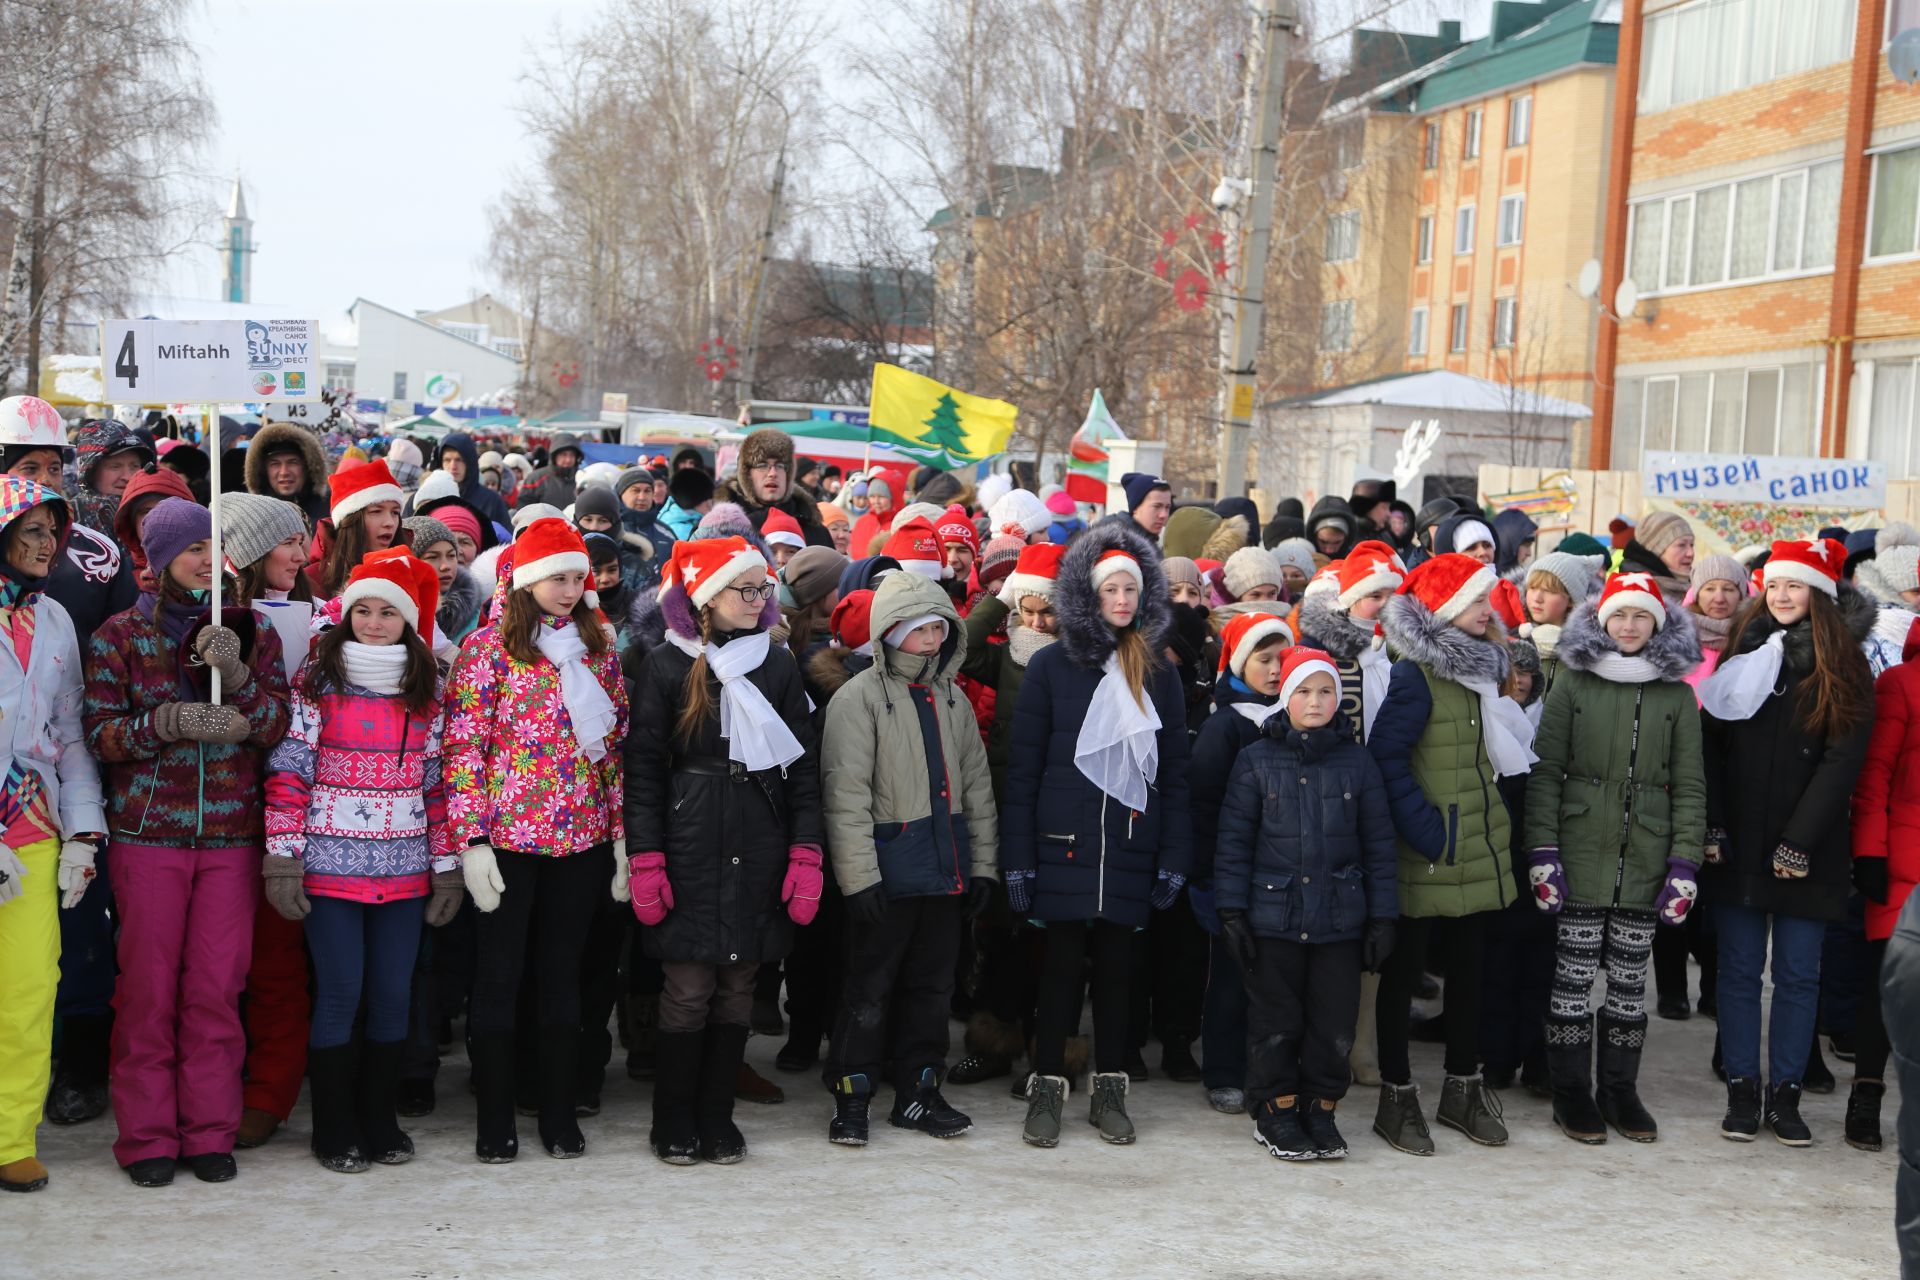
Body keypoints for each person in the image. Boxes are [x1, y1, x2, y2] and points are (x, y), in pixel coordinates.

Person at [83, 498, 292, 1187]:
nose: (206, 560)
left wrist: (234, 679)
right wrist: (165, 722)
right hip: (150, 833)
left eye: (213, 547)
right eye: (191, 548)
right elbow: (102, 735)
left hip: (231, 832)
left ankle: (208, 1128)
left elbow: (275, 725)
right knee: (146, 990)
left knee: (215, 986)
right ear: (160, 556)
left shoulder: (250, 628)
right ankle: (146, 1136)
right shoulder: (119, 635)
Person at [624, 537, 821, 1165]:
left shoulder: (780, 664)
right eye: (745, 589)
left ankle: (717, 1117)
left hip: (759, 838)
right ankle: (672, 1118)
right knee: (687, 987)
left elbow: (805, 769)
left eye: (763, 588)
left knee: (740, 984)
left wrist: (806, 850)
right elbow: (646, 770)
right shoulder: (665, 665)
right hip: (690, 839)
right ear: (707, 597)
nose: (759, 599)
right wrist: (647, 856)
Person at [262, 548, 459, 1174]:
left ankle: (380, 1119)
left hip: (402, 873)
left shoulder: (426, 692)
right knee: (342, 992)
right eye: (363, 611)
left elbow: (436, 785)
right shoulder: (317, 682)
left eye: (388, 613)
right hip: (330, 868)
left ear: (408, 622)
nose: (373, 623)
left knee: (392, 995)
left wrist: (447, 865)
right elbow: (290, 771)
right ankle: (334, 1126)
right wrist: (282, 857)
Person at [1002, 520, 1192, 1147]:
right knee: (1057, 975)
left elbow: (1175, 775)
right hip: (1063, 845)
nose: (1121, 601)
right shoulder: (1052, 667)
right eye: (1110, 589)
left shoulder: (1158, 672)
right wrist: (1019, 859)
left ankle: (1110, 1090)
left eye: (1131, 590)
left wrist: (1173, 856)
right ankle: (1046, 1089)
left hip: (1131, 849)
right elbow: (1024, 770)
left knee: (1120, 977)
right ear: (1088, 594)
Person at [444, 517, 628, 1163]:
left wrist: (621, 837)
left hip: (580, 842)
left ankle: (557, 1111)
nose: (571, 588)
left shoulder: (598, 647)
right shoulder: (488, 649)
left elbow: (612, 750)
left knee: (563, 980)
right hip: (508, 844)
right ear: (527, 580)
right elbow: (463, 747)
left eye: (579, 577)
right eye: (558, 577)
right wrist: (470, 839)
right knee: (499, 980)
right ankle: (496, 1116)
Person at [1698, 537, 1876, 1146]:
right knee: (1740, 972)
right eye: (1773, 585)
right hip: (1741, 841)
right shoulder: (1742, 648)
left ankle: (1788, 1093)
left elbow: (1841, 762)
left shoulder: (1845, 664)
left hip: (1812, 847)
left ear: (1819, 595)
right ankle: (1743, 1089)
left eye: (1793, 585)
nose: (1780, 596)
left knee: (1799, 975)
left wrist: (1800, 839)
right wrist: (1714, 825)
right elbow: (1710, 749)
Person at [1524, 572, 1706, 1145]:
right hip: (1579, 855)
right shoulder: (1574, 684)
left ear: (1658, 623)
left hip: (1646, 857)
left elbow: (1691, 783)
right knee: (1573, 978)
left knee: (1630, 982)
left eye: (1641, 617)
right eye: (1619, 616)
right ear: (1602, 622)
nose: (1629, 627)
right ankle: (1572, 1090)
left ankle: (1620, 1090)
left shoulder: (1676, 693)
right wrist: (1543, 849)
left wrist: (1684, 862)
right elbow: (1546, 769)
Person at [819, 571, 998, 1144]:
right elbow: (845, 795)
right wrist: (858, 878)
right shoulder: (859, 700)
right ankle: (852, 1090)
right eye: (919, 627)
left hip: (944, 868)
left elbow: (977, 786)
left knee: (932, 986)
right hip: (888, 872)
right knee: (868, 986)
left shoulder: (954, 699)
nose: (932, 636)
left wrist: (983, 866)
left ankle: (920, 1087)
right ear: (890, 633)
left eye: (940, 626)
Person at [1368, 552, 1536, 1155]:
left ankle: (1462, 1089)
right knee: (1404, 975)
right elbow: (1386, 760)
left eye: (1485, 600)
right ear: (1442, 609)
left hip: (1476, 851)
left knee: (1472, 974)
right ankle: (1397, 1094)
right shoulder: (1415, 674)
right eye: (1472, 601)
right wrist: (1429, 832)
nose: (1484, 611)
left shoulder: (1482, 669)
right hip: (1430, 851)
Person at [1216, 648, 1397, 1161]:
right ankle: (1275, 1109)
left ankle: (1320, 1109)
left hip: (1340, 919)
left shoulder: (1357, 762)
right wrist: (1231, 910)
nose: (1314, 702)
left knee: (1332, 1022)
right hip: (1273, 917)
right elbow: (1233, 841)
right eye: (1302, 691)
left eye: (1324, 691)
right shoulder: (1255, 759)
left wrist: (1383, 915)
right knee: (1276, 1020)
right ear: (1285, 697)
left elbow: (1379, 844)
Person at [0, 477, 106, 1193]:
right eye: (29, 529)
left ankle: (10, 1135)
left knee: (33, 988)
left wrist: (83, 831)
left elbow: (68, 733)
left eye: (51, 530)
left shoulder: (58, 620)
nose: (44, 544)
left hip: (34, 828)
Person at [216, 492, 319, 1150]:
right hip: (213, 812)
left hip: (292, 813)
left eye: (304, 541)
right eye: (287, 542)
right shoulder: (206, 620)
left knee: (278, 959)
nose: (302, 553)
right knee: (216, 967)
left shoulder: (317, 618)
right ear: (250, 554)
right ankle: (211, 1086)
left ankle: (271, 1091)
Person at [1188, 611, 1295, 1116]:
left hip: (1283, 876)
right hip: (1231, 876)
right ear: (1238, 662)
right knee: (1230, 979)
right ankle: (1224, 1070)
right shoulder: (1225, 725)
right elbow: (1204, 806)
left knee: (1274, 980)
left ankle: (1268, 1068)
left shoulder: (1297, 717)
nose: (1275, 670)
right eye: (1263, 659)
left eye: (1282, 658)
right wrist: (1208, 878)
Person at [1850, 624, 1920, 1154]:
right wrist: (1870, 852)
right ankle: (1867, 1094)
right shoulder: (1900, 683)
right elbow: (1873, 774)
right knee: (1888, 988)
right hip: (1902, 859)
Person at [715, 427, 831, 547]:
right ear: (747, 474)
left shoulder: (812, 526)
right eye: (762, 465)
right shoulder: (720, 527)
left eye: (780, 466)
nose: (773, 473)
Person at [309, 459, 406, 600]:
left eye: (395, 513)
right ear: (351, 520)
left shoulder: (408, 573)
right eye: (376, 511)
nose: (390, 523)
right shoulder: (313, 580)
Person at [403, 515, 483, 653]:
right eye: (432, 557)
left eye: (451, 555)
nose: (445, 566)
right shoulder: (390, 611)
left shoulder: (477, 614)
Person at [245, 421, 331, 528]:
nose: (284, 472)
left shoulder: (331, 510)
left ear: (309, 466)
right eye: (275, 464)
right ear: (263, 470)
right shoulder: (251, 516)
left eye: (293, 462)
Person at [1617, 511, 1694, 598]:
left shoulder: (1699, 587)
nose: (1690, 553)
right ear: (1656, 549)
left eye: (1692, 545)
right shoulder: (1637, 592)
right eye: (1681, 545)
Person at [510, 436, 581, 516]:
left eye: (572, 455)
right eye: (563, 455)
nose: (568, 459)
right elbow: (523, 508)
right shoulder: (536, 478)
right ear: (555, 456)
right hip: (543, 527)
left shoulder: (582, 478)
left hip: (573, 527)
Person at [1117, 473, 1172, 540]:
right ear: (1136, 508)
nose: (1164, 515)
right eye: (1156, 506)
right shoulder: (1118, 546)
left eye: (1167, 507)